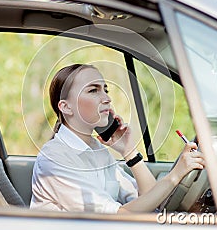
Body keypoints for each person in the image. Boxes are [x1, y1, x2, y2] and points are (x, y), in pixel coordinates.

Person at [30, 63, 205, 213]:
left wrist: (129, 151)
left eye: (105, 90)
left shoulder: (97, 150)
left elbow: (150, 201)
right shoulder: (54, 158)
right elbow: (120, 216)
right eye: (93, 90)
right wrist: (176, 175)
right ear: (66, 107)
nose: (107, 98)